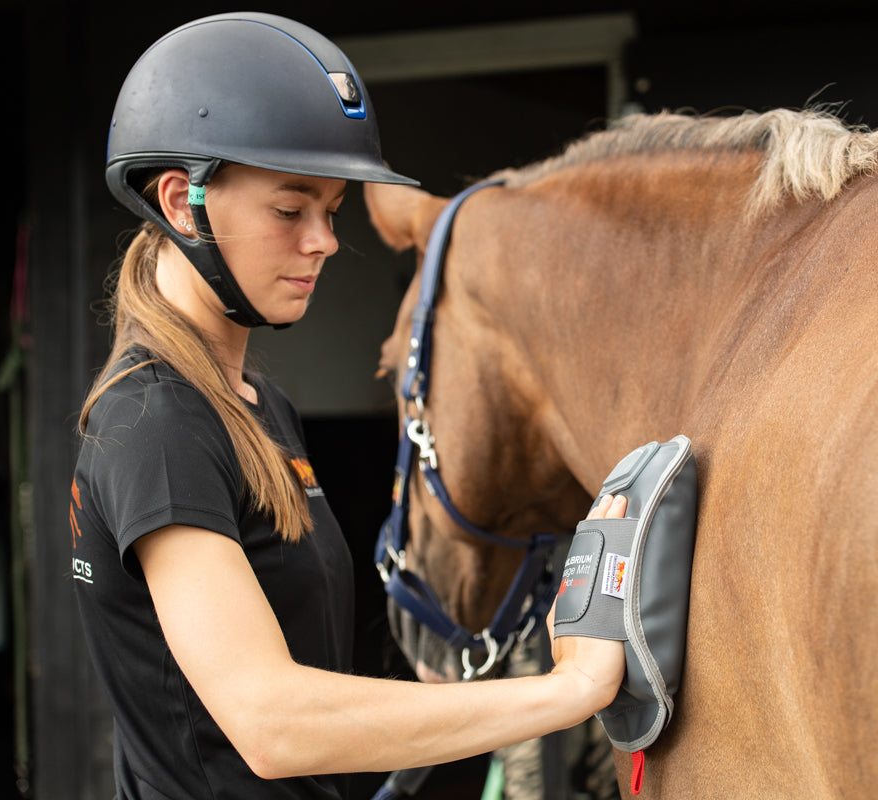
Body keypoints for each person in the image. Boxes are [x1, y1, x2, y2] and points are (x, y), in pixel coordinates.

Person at [69, 12, 626, 799]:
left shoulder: (256, 406)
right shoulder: (155, 423)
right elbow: (271, 723)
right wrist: (565, 693)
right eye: (291, 210)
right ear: (183, 204)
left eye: (331, 211)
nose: (326, 240)